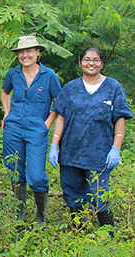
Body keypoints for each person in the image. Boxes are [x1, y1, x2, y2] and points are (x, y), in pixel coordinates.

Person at [48, 47, 132, 230]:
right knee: (71, 193)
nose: (91, 63)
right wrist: (54, 145)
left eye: (95, 60)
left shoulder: (113, 87)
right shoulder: (70, 88)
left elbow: (120, 119)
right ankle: (80, 230)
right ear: (80, 63)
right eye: (86, 59)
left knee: (98, 195)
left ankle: (107, 234)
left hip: (99, 154)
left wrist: (116, 148)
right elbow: (60, 117)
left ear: (102, 63)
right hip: (70, 152)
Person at [1, 35, 61, 225]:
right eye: (21, 52)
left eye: (29, 51)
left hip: (37, 129)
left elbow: (58, 102)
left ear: (38, 52)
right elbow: (5, 92)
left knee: (35, 176)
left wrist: (47, 123)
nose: (24, 55)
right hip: (13, 128)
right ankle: (20, 214)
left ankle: (41, 214)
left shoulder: (49, 75)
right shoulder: (13, 74)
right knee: (15, 169)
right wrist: (7, 114)